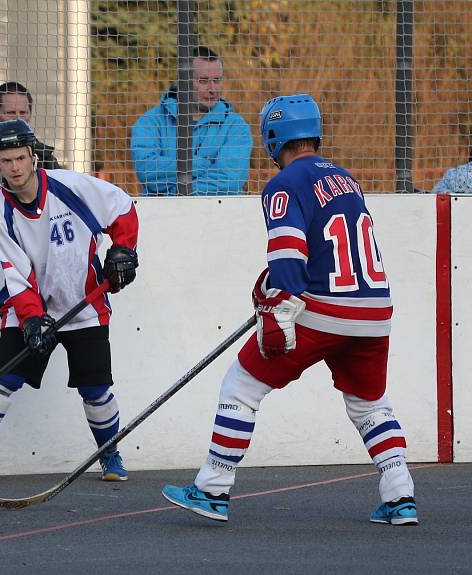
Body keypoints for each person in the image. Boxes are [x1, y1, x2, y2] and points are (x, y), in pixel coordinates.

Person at [162, 94, 418, 525]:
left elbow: (287, 260)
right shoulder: (346, 178)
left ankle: (212, 487)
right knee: (370, 403)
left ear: (273, 135)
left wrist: (274, 299)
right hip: (375, 309)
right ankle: (400, 496)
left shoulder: (283, 184)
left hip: (323, 308)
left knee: (241, 386)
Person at [0, 119, 139, 485]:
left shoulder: (70, 186)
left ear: (33, 156)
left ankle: (110, 455)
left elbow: (123, 208)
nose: (14, 167)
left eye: (20, 158)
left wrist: (124, 250)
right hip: (29, 310)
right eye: (6, 160)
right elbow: (17, 274)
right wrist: (33, 319)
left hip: (84, 304)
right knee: (4, 381)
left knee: (95, 389)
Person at [130, 46, 252, 196]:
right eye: (203, 81)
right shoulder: (150, 122)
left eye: (217, 80)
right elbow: (147, 171)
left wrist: (177, 194)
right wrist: (203, 165)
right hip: (163, 217)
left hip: (219, 217)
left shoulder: (236, 126)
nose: (212, 89)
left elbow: (230, 180)